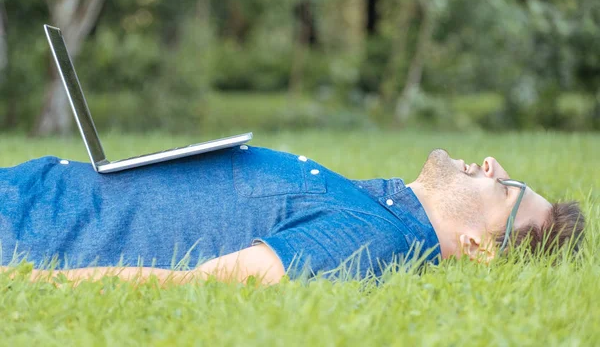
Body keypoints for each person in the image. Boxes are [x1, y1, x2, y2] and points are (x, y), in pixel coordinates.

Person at [0, 145, 585, 285]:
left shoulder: (375, 239)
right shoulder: (380, 206)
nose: (492, 165)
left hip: (27, 225)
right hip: (37, 187)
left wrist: (34, 283)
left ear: (480, 247)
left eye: (506, 189)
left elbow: (202, 283)